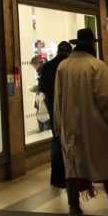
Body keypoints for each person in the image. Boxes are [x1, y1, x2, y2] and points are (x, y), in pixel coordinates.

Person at [54, 28, 108, 216]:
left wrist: (59, 125)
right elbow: (105, 97)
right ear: (92, 46)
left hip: (70, 124)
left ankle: (74, 205)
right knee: (103, 159)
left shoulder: (63, 66)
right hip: (97, 124)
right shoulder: (97, 65)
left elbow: (58, 98)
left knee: (73, 163)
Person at [38, 40, 73, 190]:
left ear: (58, 51)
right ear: (69, 52)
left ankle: (58, 176)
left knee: (57, 140)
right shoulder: (70, 66)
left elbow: (43, 89)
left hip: (54, 110)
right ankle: (73, 175)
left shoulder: (47, 67)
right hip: (71, 110)